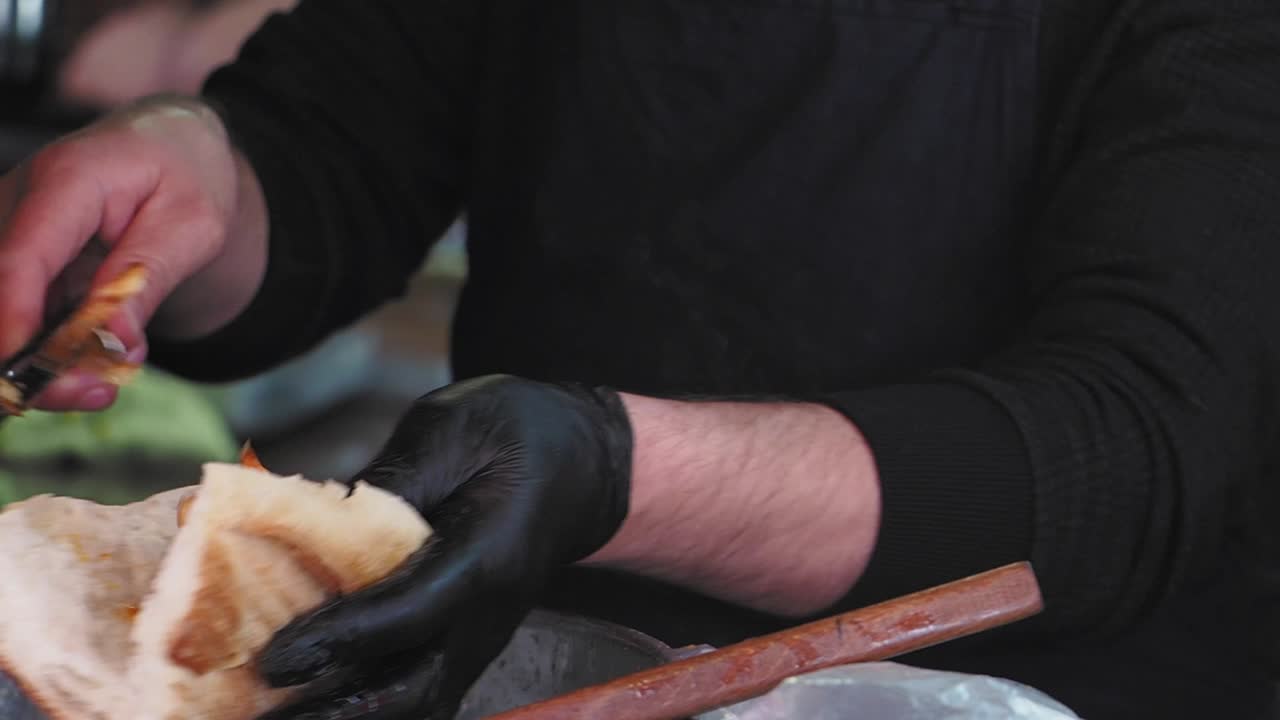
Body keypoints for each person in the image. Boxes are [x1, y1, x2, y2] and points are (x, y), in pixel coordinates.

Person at [1, 1, 1278, 718]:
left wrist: (610, 469)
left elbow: (1132, 453)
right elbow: (331, 150)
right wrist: (186, 174)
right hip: (521, 665)